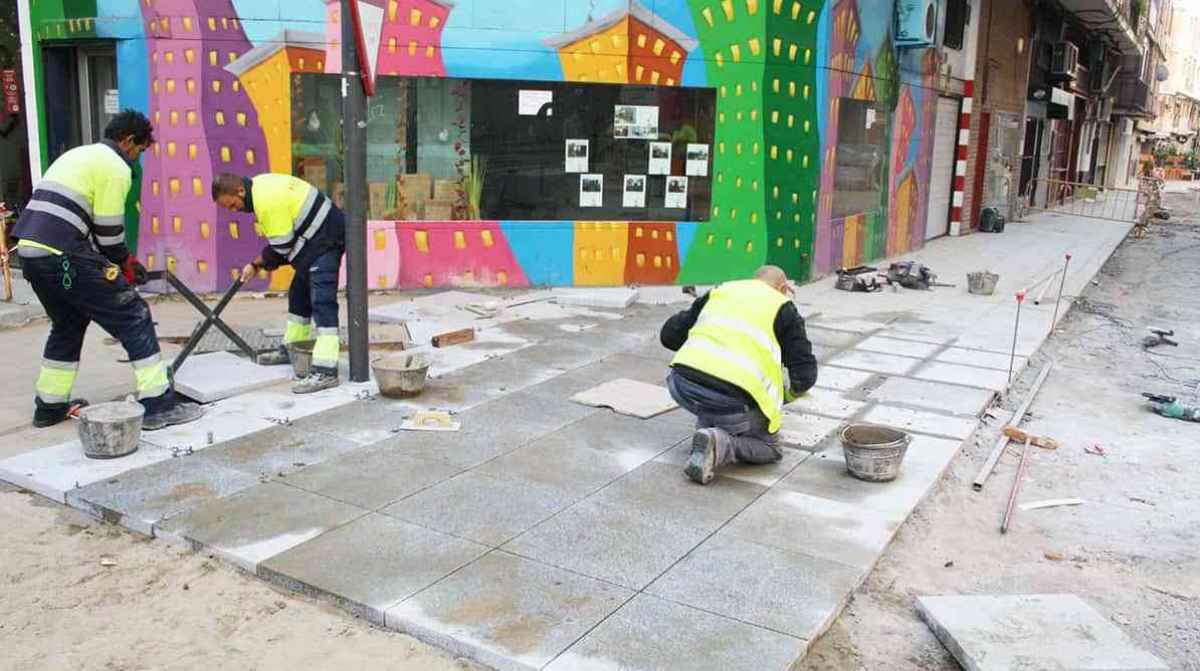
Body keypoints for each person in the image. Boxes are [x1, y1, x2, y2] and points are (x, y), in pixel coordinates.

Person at [13, 110, 204, 430]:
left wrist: (111, 264)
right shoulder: (115, 166)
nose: (137, 159)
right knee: (133, 313)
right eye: (140, 151)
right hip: (62, 252)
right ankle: (158, 404)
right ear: (128, 141)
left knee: (68, 323)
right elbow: (108, 234)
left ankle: (49, 406)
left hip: (31, 252)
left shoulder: (80, 154)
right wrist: (124, 262)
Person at [661, 266, 818, 484]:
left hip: (681, 386)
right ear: (783, 288)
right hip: (730, 398)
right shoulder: (783, 307)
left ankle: (707, 429)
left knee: (715, 393)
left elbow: (669, 336)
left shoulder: (721, 290)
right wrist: (785, 397)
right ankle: (719, 443)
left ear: (754, 280)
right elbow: (805, 376)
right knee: (769, 448)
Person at [211, 172, 345, 394]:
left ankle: (326, 370)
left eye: (233, 205)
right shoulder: (260, 185)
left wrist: (255, 264)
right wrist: (257, 265)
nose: (234, 211)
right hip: (315, 239)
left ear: (240, 191)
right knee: (299, 295)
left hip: (325, 239)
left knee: (322, 303)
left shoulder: (264, 201)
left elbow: (282, 247)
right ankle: (291, 350)